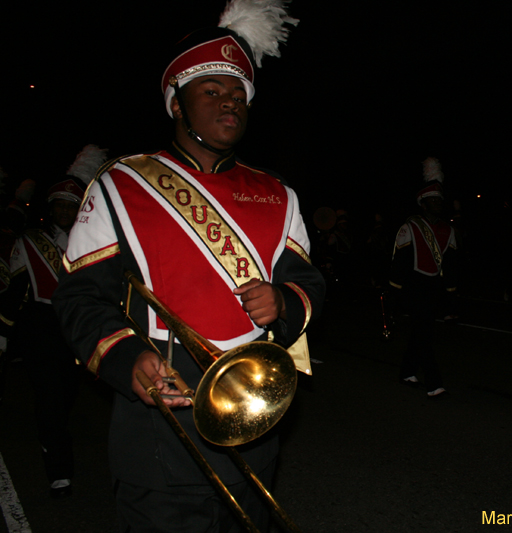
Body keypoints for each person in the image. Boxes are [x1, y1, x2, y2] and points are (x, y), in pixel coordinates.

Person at [52, 2, 323, 531]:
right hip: (159, 429)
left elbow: (308, 282)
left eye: (238, 93)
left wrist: (285, 301)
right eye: (213, 91)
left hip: (253, 417)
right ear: (177, 104)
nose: (230, 103)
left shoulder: (278, 194)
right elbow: (79, 297)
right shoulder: (120, 184)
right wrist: (126, 357)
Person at [0, 146, 105, 497]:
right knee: (49, 400)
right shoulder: (30, 242)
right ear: (50, 208)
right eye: (59, 205)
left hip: (76, 329)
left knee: (67, 393)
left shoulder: (88, 243)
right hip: (40, 327)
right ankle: (58, 468)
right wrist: (4, 332)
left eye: (70, 205)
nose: (64, 210)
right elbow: (15, 291)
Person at [390, 157, 458, 399]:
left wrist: (450, 293)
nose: (438, 204)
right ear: (423, 203)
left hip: (434, 289)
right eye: (433, 200)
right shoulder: (411, 227)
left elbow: (450, 264)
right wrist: (395, 293)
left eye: (440, 200)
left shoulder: (448, 230)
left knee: (421, 333)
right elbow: (400, 263)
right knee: (424, 336)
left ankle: (407, 373)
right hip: (414, 288)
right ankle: (434, 383)